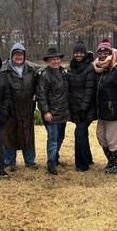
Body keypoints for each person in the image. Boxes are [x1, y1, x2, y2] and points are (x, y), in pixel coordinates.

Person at [93, 38, 117, 174]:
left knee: (113, 140)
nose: (103, 55)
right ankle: (111, 161)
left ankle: (116, 165)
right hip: (101, 113)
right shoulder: (98, 69)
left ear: (111, 53)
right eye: (100, 53)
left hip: (114, 113)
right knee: (101, 137)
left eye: (105, 53)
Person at [1, 43, 39, 170]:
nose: (19, 57)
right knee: (9, 136)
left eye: (21, 54)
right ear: (11, 55)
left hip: (27, 108)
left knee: (27, 135)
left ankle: (30, 161)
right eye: (16, 54)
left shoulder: (32, 69)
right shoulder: (3, 69)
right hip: (10, 109)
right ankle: (9, 162)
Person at [37, 47, 70, 175]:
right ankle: (50, 163)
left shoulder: (64, 73)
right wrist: (45, 112)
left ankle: (55, 158)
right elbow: (41, 95)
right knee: (52, 139)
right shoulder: (45, 75)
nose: (55, 61)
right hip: (51, 114)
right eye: (52, 59)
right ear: (48, 61)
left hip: (63, 113)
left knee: (60, 137)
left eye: (57, 59)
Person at [67, 41, 96, 172]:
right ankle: (88, 158)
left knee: (79, 133)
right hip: (75, 107)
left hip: (86, 108)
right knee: (82, 133)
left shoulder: (89, 68)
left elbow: (89, 90)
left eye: (81, 53)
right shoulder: (71, 67)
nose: (78, 55)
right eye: (76, 52)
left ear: (85, 54)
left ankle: (82, 165)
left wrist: (83, 108)